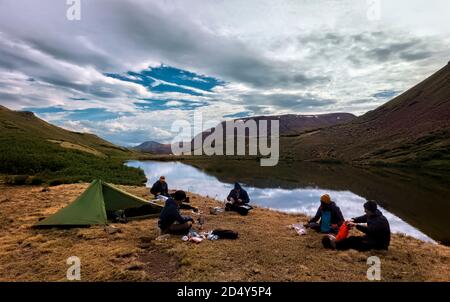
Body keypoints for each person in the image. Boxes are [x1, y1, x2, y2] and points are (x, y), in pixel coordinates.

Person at [322, 200, 391, 251]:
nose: (364, 211)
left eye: (366, 210)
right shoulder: (372, 214)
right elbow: (363, 218)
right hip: (372, 238)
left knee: (354, 243)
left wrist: (356, 225)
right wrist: (353, 220)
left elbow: (369, 230)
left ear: (370, 211)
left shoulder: (380, 221)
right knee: (352, 238)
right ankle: (336, 243)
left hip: (379, 244)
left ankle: (335, 246)